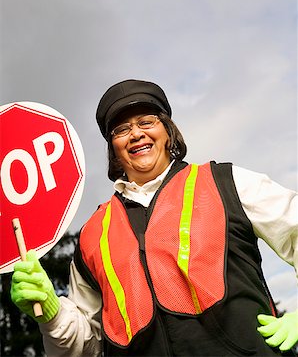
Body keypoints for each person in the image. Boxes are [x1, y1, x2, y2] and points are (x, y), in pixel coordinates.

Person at [11, 79, 298, 357]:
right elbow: (83, 349)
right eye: (121, 129)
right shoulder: (92, 235)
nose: (136, 134)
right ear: (113, 148)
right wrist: (51, 313)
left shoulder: (227, 183)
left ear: (168, 131)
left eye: (146, 122)